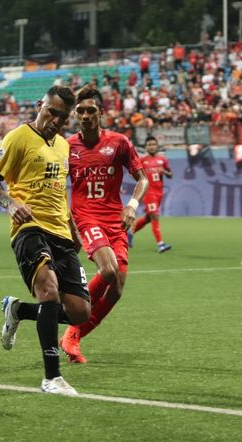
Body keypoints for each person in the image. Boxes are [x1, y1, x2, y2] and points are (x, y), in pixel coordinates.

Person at [0, 85, 90, 396]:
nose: (54, 120)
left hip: (61, 232)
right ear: (41, 105)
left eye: (61, 117)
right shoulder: (18, 137)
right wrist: (11, 203)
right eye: (50, 112)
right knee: (49, 290)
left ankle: (17, 311)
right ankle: (51, 378)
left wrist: (73, 227)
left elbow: (60, 190)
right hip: (28, 227)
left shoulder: (63, 147)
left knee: (81, 312)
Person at [60, 86, 149, 364]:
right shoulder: (67, 146)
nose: (85, 116)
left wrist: (132, 206)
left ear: (101, 113)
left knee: (118, 287)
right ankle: (72, 321)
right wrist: (69, 224)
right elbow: (59, 187)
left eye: (90, 111)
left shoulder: (120, 142)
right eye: (80, 111)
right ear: (75, 114)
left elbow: (143, 178)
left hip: (114, 219)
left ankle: (75, 335)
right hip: (86, 217)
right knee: (108, 270)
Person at [129, 136, 173, 253]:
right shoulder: (142, 160)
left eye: (154, 144)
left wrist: (165, 172)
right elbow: (133, 173)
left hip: (159, 193)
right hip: (148, 193)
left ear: (157, 146)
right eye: (149, 144)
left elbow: (170, 174)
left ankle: (129, 232)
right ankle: (160, 244)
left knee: (148, 218)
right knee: (154, 216)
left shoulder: (163, 160)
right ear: (146, 147)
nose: (152, 146)